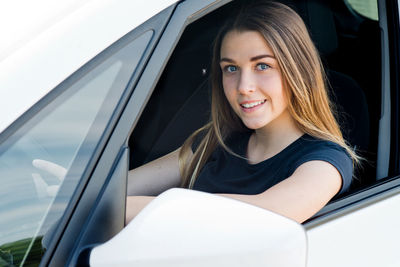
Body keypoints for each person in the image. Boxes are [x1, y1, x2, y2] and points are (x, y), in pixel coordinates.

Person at [126, 0, 359, 224]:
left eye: (263, 66)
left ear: (298, 70)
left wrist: (125, 211)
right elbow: (114, 191)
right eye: (231, 68)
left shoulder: (326, 163)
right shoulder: (216, 141)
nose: (243, 87)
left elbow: (263, 216)